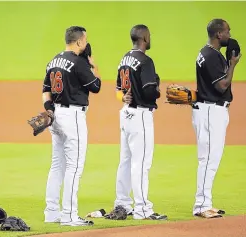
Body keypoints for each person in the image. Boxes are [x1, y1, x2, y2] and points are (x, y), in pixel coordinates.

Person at [42, 26, 101, 226]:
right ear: (78, 42)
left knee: (57, 165)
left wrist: (50, 110)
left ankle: (51, 212)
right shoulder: (79, 62)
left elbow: (45, 91)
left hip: (56, 115)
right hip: (73, 116)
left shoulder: (53, 61)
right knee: (74, 167)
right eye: (84, 40)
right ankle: (69, 216)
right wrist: (93, 65)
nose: (85, 44)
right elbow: (96, 87)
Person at [112, 24, 167, 220]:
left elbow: (118, 89)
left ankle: (122, 203)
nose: (150, 38)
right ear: (144, 38)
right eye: (149, 36)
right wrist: (158, 88)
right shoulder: (145, 61)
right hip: (140, 116)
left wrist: (123, 98)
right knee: (141, 163)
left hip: (126, 114)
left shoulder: (124, 59)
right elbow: (150, 91)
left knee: (125, 161)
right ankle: (143, 209)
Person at [192, 19, 241, 218]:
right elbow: (222, 86)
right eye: (227, 31)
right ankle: (202, 205)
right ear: (219, 34)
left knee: (209, 158)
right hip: (211, 111)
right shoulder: (211, 56)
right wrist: (232, 65)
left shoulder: (207, 53)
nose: (229, 35)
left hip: (208, 110)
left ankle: (205, 202)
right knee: (209, 159)